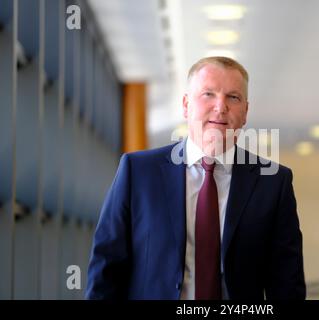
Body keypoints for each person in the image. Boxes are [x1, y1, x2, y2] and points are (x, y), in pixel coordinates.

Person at [86, 56, 306, 300]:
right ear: (185, 105)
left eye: (233, 97)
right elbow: (106, 267)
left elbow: (287, 284)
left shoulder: (273, 183)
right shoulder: (138, 172)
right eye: (208, 94)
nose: (220, 107)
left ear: (245, 112)